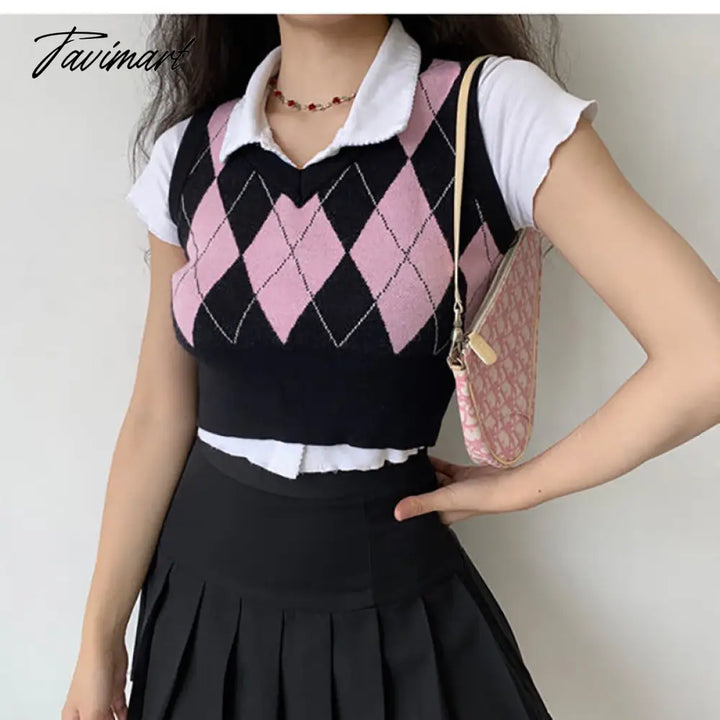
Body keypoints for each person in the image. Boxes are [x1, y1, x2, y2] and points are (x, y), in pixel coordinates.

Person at [62, 14, 720, 720]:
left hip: (389, 603)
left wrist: (519, 488)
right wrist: (98, 641)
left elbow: (703, 356)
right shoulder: (192, 151)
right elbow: (157, 415)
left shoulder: (488, 112)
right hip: (200, 611)